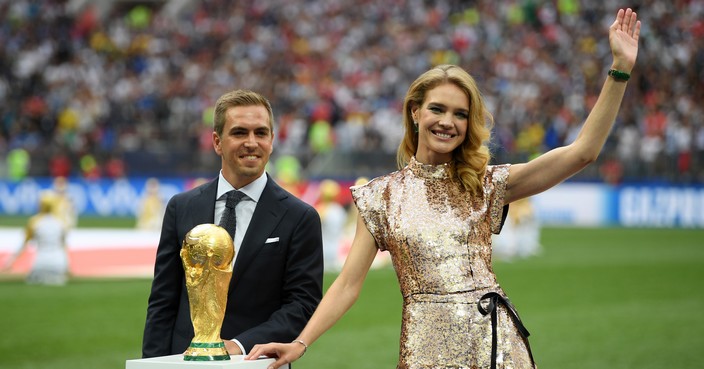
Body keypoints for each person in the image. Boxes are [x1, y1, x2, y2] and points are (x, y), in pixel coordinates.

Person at [246, 8, 640, 369]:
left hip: (497, 348)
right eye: (437, 109)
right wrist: (300, 343)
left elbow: (583, 153)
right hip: (425, 352)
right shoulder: (380, 197)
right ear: (415, 112)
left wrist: (619, 70)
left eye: (460, 114)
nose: (447, 122)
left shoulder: (487, 184)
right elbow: (348, 285)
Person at [142, 89, 325, 358]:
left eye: (261, 133)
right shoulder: (181, 207)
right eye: (240, 133)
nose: (252, 142)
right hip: (183, 361)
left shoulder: (300, 217)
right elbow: (162, 301)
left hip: (257, 362)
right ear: (217, 142)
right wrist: (153, 363)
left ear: (272, 141)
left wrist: (240, 345)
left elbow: (302, 304)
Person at [2, 191, 69, 285]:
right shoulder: (61, 222)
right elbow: (64, 245)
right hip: (59, 263)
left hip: (40, 263)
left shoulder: (34, 221)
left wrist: (9, 262)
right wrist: (68, 267)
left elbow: (23, 245)